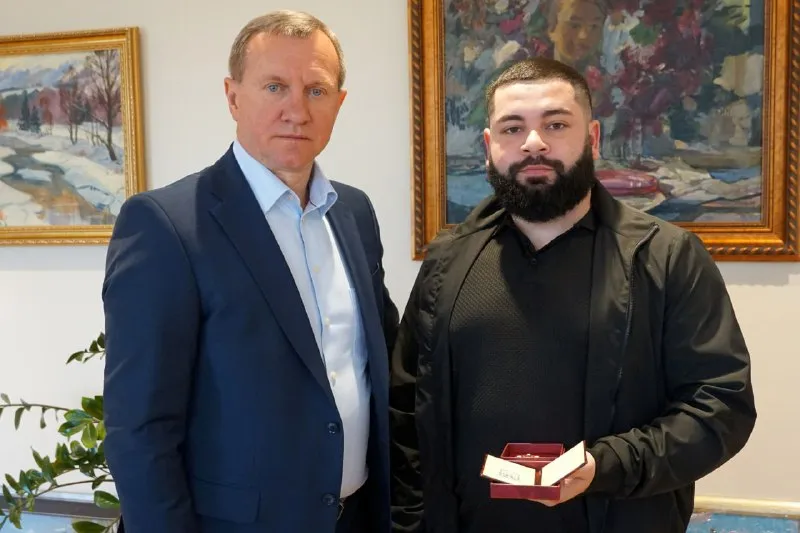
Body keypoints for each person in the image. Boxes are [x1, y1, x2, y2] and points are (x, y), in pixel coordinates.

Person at [389, 57, 756, 533]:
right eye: (512, 128)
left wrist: (606, 465)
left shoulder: (667, 258)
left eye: (556, 124)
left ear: (593, 138)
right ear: (489, 147)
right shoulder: (446, 261)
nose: (533, 143)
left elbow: (721, 406)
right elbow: (406, 408)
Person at [102, 10, 398, 533]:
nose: (296, 111)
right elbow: (140, 429)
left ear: (339, 103)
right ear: (233, 96)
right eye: (275, 86)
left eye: (316, 91)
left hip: (357, 519)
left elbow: (378, 367)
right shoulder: (167, 225)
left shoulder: (354, 213)